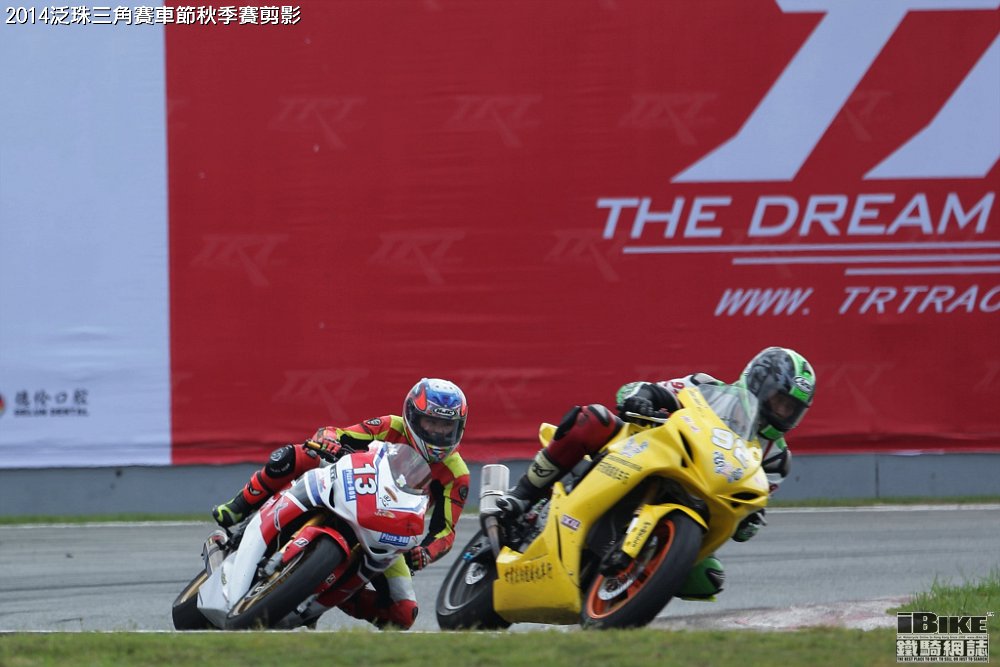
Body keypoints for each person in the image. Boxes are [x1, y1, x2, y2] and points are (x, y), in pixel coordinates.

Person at [495, 347, 816, 600]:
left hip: (700, 502)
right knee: (593, 419)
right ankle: (522, 496)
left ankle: (625, 591)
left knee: (708, 579)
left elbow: (753, 504)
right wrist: (641, 400)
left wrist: (749, 519)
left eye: (791, 409)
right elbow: (641, 390)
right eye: (779, 400)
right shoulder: (705, 386)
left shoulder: (777, 460)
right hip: (647, 456)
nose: (782, 412)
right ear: (758, 382)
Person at [211, 377, 471, 630]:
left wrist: (425, 552)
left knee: (403, 613)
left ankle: (325, 595)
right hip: (353, 490)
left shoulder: (456, 473)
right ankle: (239, 506)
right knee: (298, 454)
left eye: (446, 426)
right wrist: (329, 439)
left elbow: (445, 531)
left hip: (389, 531)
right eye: (431, 422)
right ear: (413, 417)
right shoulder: (391, 426)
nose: (438, 432)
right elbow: (340, 433)